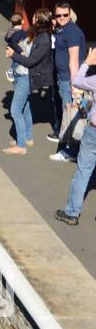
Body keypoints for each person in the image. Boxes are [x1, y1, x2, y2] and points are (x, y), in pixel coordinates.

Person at [55, 48, 96, 227]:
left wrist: (87, 61)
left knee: (83, 171)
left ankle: (72, 213)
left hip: (94, 131)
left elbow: (77, 81)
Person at [4, 8, 53, 155]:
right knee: (25, 106)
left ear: (39, 20)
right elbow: (25, 49)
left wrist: (13, 55)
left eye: (34, 16)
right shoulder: (34, 32)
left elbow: (31, 61)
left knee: (15, 110)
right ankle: (27, 137)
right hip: (21, 73)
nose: (32, 17)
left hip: (27, 76)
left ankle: (21, 146)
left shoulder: (44, 39)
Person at [48, 3, 86, 163]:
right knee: (69, 114)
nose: (62, 18)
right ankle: (71, 148)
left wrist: (74, 84)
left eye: (65, 15)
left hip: (68, 79)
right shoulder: (63, 30)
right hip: (62, 77)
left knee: (70, 116)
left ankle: (71, 151)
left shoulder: (71, 32)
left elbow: (74, 60)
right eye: (59, 15)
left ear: (70, 14)